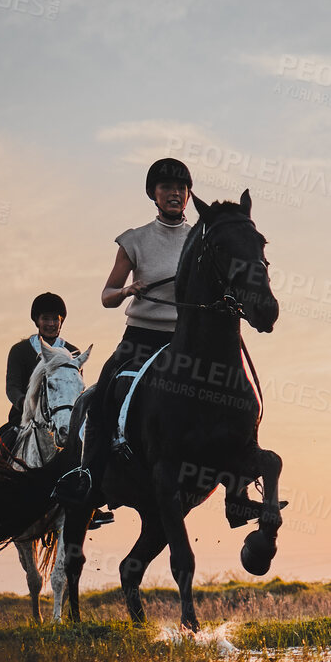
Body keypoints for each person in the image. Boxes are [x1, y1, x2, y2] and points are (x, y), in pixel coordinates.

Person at [55, 157, 196, 506]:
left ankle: (237, 483)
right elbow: (106, 296)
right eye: (166, 188)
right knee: (102, 394)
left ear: (189, 195)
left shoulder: (201, 239)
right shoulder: (135, 240)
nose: (175, 193)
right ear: (154, 194)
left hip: (185, 340)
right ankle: (88, 473)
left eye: (181, 188)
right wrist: (126, 292)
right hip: (142, 338)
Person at [0, 293, 79, 471]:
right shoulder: (20, 351)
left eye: (56, 319)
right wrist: (26, 403)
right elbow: (12, 387)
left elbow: (75, 390)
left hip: (61, 420)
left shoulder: (72, 352)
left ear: (62, 321)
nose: (51, 323)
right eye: (46, 318)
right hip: (24, 419)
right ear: (37, 321)